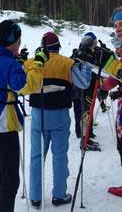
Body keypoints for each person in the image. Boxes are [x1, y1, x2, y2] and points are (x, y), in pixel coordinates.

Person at [0, 19, 49, 212]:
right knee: (10, 179)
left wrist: (20, 63)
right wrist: (37, 64)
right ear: (15, 39)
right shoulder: (9, 64)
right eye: (19, 38)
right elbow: (28, 86)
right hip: (4, 120)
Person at [24, 32, 92, 208]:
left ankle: (35, 196)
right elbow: (84, 83)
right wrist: (84, 64)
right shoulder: (67, 63)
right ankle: (59, 195)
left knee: (37, 156)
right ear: (58, 46)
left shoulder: (31, 62)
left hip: (38, 113)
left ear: (42, 46)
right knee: (59, 156)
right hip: (60, 113)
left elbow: (21, 83)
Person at [96, 38, 122, 198]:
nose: (116, 51)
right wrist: (120, 91)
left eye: (118, 47)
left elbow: (114, 77)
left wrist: (103, 89)